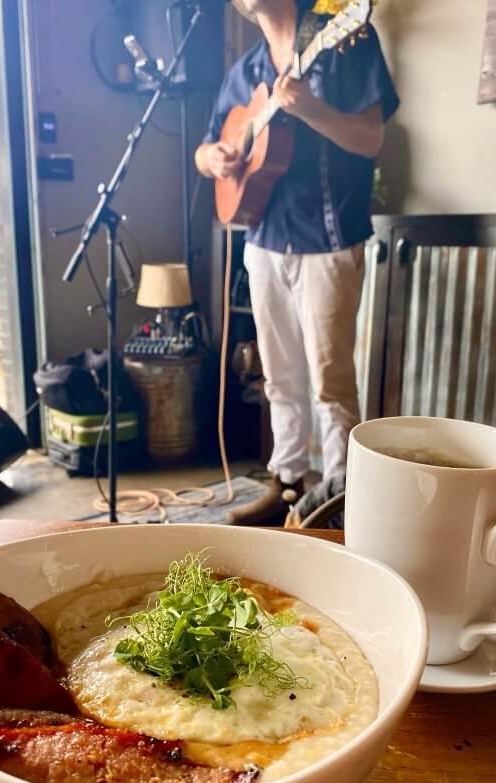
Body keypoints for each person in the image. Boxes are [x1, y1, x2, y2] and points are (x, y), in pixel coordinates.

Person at [195, 0, 399, 525]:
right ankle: (285, 484)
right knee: (279, 377)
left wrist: (310, 109)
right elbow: (210, 144)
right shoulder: (245, 70)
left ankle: (340, 497)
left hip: (327, 240)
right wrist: (212, 156)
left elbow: (371, 137)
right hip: (263, 240)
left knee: (331, 381)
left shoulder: (342, 40)